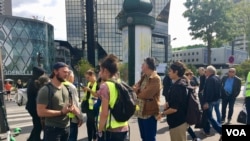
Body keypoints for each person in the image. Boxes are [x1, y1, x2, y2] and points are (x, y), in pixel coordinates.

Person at [36, 62, 80, 141]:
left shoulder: (67, 88)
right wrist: (61, 112)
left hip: (66, 127)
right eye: (64, 72)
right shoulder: (45, 90)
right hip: (52, 129)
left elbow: (71, 106)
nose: (66, 74)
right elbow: (40, 112)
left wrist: (78, 116)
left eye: (67, 72)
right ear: (55, 71)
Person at [97, 54, 129, 141]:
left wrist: (99, 131)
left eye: (101, 70)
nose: (100, 73)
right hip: (124, 127)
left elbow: (104, 114)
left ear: (106, 71)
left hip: (112, 131)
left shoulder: (105, 86)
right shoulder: (120, 83)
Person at [133, 57, 161, 141]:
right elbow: (134, 87)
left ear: (148, 66)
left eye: (143, 64)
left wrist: (137, 91)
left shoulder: (155, 78)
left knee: (150, 138)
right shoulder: (144, 76)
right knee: (143, 137)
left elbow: (147, 94)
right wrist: (138, 90)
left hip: (149, 112)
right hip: (140, 111)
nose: (141, 66)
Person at [160, 61, 189, 141]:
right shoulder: (179, 84)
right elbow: (178, 102)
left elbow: (174, 109)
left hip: (178, 123)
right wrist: (168, 103)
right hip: (179, 121)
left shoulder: (178, 86)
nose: (168, 73)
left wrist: (162, 114)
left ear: (176, 72)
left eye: (170, 71)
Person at [26, 66, 46, 141]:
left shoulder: (32, 81)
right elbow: (38, 94)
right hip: (34, 107)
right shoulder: (34, 82)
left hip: (32, 107)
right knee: (38, 125)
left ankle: (34, 138)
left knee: (37, 125)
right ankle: (33, 139)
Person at [64, 70, 84, 141]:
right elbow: (75, 104)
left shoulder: (58, 84)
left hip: (59, 118)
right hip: (71, 117)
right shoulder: (71, 87)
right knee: (71, 137)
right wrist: (80, 117)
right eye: (73, 77)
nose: (73, 79)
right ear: (70, 76)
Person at [202, 65, 222, 137]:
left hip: (210, 101)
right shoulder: (217, 78)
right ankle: (207, 130)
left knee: (209, 117)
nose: (205, 72)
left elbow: (209, 92)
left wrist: (206, 102)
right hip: (216, 100)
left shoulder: (210, 79)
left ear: (209, 71)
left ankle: (220, 130)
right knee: (209, 117)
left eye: (206, 71)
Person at [82, 69, 99, 141]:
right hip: (88, 106)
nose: (87, 79)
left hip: (94, 106)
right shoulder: (89, 84)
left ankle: (91, 138)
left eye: (88, 77)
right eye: (86, 78)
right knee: (91, 123)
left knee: (90, 123)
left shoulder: (97, 84)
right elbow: (88, 95)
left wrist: (89, 90)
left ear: (93, 75)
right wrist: (85, 90)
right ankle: (93, 137)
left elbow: (97, 95)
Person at [185, 70, 201, 141]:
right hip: (188, 106)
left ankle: (194, 137)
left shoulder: (188, 82)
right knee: (186, 125)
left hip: (187, 107)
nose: (191, 77)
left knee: (186, 125)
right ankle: (194, 137)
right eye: (190, 75)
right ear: (187, 75)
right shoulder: (185, 82)